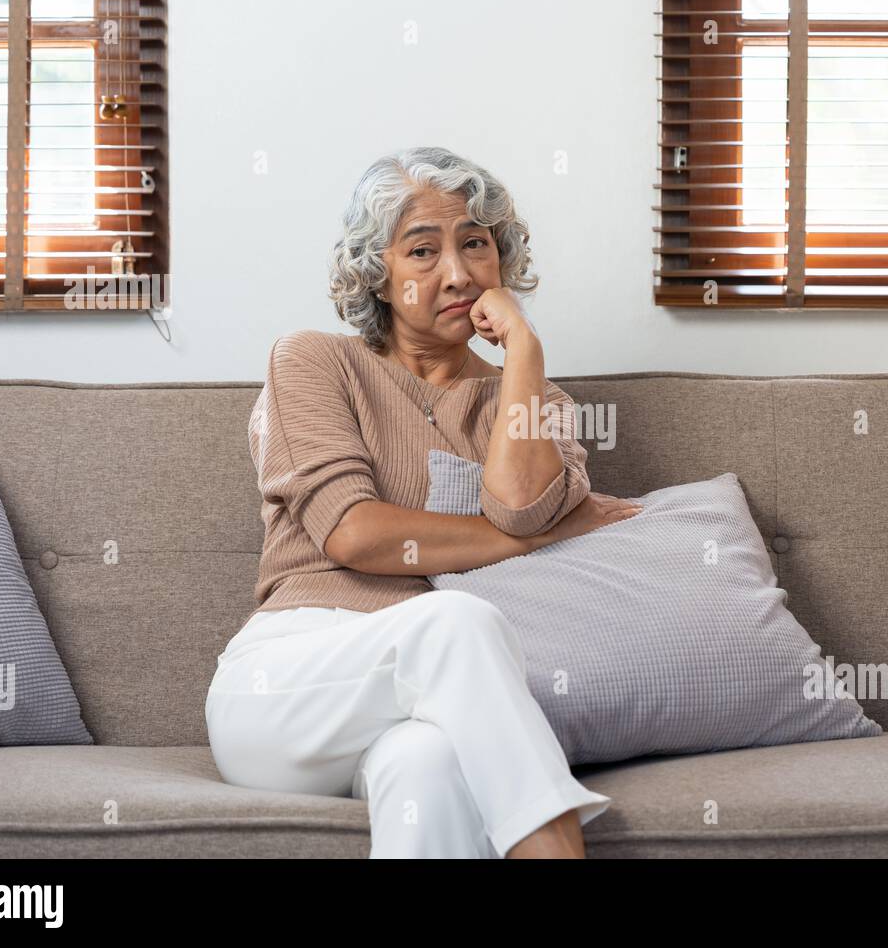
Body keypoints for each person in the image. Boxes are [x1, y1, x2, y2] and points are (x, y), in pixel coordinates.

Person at [205, 146, 642, 858]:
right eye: (422, 250)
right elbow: (353, 534)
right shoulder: (313, 361)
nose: (460, 273)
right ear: (378, 274)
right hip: (287, 687)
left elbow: (522, 505)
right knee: (457, 619)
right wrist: (532, 541)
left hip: (420, 708)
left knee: (433, 767)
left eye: (476, 244)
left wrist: (523, 353)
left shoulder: (537, 403)